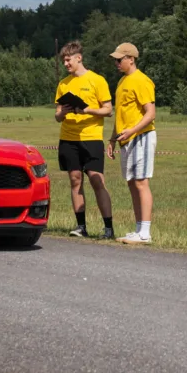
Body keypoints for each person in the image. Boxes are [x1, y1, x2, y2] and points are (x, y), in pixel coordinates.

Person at [54, 41, 115, 239]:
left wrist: (87, 109)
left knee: (98, 181)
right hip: (68, 138)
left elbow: (108, 109)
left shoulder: (97, 80)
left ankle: (108, 228)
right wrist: (62, 112)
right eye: (63, 60)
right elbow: (56, 115)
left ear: (79, 58)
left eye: (68, 60)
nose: (66, 64)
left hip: (91, 138)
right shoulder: (63, 84)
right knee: (75, 180)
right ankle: (81, 226)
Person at [105, 43, 156, 245]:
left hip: (141, 137)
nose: (116, 63)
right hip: (126, 138)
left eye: (119, 59)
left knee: (141, 182)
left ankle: (145, 232)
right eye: (115, 60)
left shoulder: (141, 81)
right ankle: (137, 229)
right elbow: (120, 115)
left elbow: (150, 113)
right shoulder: (122, 82)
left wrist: (133, 131)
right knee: (131, 182)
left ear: (131, 59)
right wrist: (112, 139)